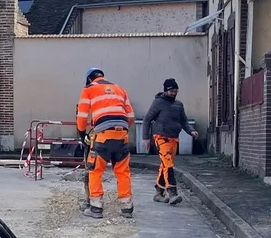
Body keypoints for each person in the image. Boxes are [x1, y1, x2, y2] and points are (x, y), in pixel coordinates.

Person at [76, 67, 134, 219]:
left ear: (89, 79)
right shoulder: (120, 89)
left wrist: (82, 135)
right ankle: (127, 207)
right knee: (123, 171)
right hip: (122, 134)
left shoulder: (88, 89)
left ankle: (96, 207)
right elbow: (131, 116)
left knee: (95, 170)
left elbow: (82, 117)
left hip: (103, 135)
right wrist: (121, 130)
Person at [142, 77, 197, 205]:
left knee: (165, 165)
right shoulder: (158, 103)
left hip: (173, 138)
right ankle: (172, 192)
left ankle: (159, 193)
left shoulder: (178, 105)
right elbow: (147, 119)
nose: (173, 93)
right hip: (160, 137)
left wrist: (191, 131)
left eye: (175, 90)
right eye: (171, 91)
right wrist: (145, 138)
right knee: (168, 164)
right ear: (166, 91)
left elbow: (183, 121)